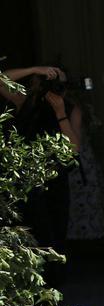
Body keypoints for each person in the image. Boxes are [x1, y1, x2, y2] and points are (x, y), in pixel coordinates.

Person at [0, 65, 82, 287]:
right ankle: (32, 289)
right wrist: (35, 69)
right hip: (27, 182)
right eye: (49, 81)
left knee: (55, 237)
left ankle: (53, 290)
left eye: (59, 83)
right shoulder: (25, 102)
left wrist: (60, 113)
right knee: (30, 236)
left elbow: (74, 150)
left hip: (55, 182)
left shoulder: (70, 109)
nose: (54, 87)